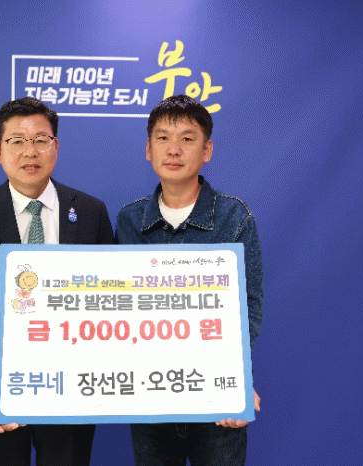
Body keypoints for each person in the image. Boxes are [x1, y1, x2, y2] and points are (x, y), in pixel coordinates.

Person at [0, 96, 114, 466]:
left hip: (70, 391)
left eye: (40, 140)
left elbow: (109, 302)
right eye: (17, 141)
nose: (29, 151)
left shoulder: (90, 212)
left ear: (56, 146)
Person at [115, 95, 263, 466]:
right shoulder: (130, 220)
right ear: (148, 149)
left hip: (214, 398)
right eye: (163, 138)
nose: (174, 149)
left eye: (187, 138)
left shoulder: (234, 217)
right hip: (149, 396)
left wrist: (235, 379)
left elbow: (248, 305)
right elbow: (118, 307)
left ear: (207, 149)